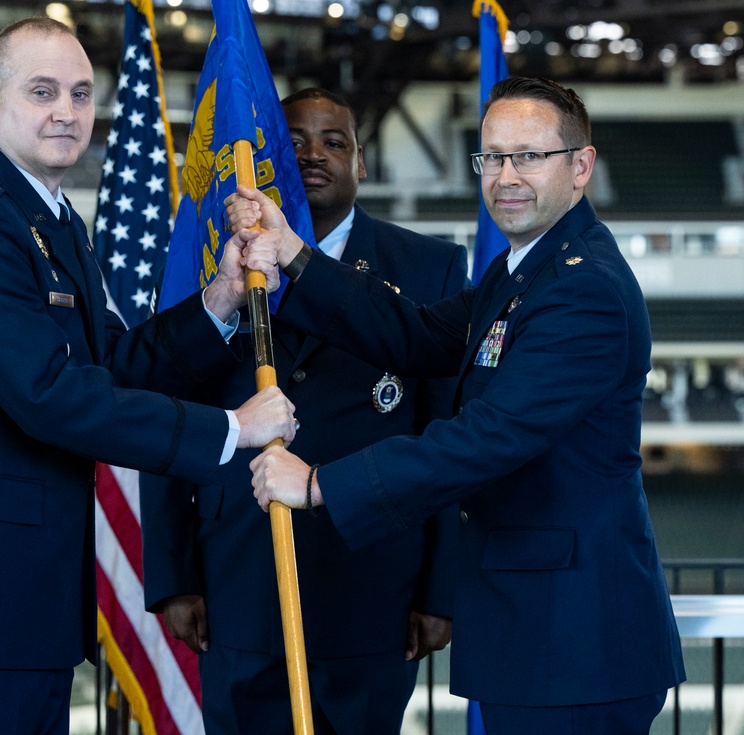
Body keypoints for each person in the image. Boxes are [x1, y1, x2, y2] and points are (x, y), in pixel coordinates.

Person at [0, 18, 296, 735]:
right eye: (42, 92)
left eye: (80, 93)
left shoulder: (52, 219)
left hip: (21, 609)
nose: (66, 111)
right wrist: (231, 429)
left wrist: (218, 300)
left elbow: (114, 365)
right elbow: (49, 395)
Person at [230, 77, 686, 734]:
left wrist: (322, 482)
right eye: (492, 156)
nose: (506, 176)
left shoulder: (584, 292)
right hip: (540, 641)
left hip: (577, 648)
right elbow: (414, 334)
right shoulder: (522, 271)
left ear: (581, 167)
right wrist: (298, 255)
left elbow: (485, 438)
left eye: (528, 156)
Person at [140, 88, 468, 734]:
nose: (314, 155)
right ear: (265, 162)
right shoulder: (212, 258)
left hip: (375, 588)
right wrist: (172, 573)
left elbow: (446, 433)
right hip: (237, 583)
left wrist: (439, 588)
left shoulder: (431, 267)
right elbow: (171, 408)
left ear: (362, 163)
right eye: (293, 142)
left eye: (334, 141)